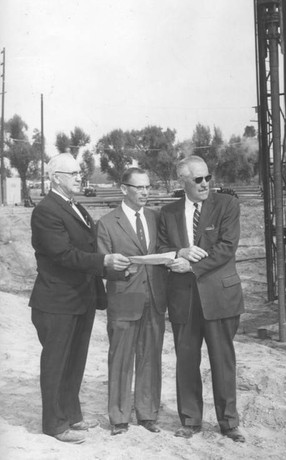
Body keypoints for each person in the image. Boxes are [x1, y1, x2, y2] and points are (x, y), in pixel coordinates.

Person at [29, 153, 131, 445]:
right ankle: (54, 424)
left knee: (75, 361)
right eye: (72, 173)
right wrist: (104, 262)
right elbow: (62, 254)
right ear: (55, 177)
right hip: (57, 301)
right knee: (56, 363)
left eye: (79, 172)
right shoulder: (46, 210)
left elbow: (84, 249)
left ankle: (71, 414)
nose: (79, 177)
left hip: (80, 299)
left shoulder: (76, 208)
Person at [158, 155, 245, 443]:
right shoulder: (168, 213)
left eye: (208, 177)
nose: (206, 183)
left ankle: (229, 423)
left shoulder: (227, 205)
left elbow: (227, 247)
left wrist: (193, 266)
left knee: (223, 361)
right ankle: (191, 420)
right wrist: (179, 254)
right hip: (183, 298)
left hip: (219, 296)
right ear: (182, 182)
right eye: (198, 180)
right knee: (186, 361)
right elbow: (162, 247)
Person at [97, 167, 167, 436]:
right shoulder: (106, 223)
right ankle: (119, 418)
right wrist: (120, 268)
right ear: (124, 189)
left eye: (148, 187)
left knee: (150, 357)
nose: (145, 192)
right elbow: (102, 265)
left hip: (155, 298)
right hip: (125, 299)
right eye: (139, 187)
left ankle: (148, 414)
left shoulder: (155, 217)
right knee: (121, 359)